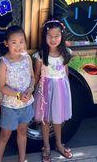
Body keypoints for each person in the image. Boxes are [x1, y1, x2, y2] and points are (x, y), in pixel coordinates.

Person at [33, 19, 73, 161]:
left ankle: (58, 144)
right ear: (44, 36)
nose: (53, 39)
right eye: (49, 36)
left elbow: (65, 72)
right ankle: (46, 146)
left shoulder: (66, 53)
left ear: (62, 37)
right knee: (45, 119)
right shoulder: (41, 55)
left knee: (58, 118)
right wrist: (32, 90)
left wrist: (66, 89)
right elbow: (37, 76)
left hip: (60, 90)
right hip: (45, 90)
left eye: (56, 36)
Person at [0, 26, 35, 162]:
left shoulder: (27, 57)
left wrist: (30, 90)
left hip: (26, 104)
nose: (18, 46)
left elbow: (33, 78)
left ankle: (22, 159)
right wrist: (19, 95)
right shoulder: (4, 62)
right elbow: (2, 87)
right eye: (14, 42)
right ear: (6, 43)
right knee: (5, 135)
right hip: (10, 107)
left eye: (21, 41)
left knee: (22, 132)